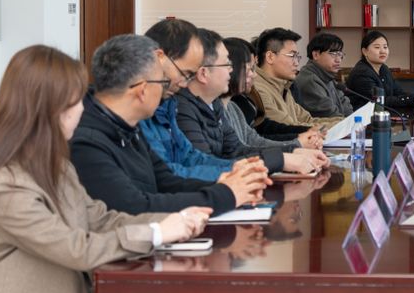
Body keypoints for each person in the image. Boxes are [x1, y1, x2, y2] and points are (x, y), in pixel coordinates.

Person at [0, 45, 210, 293]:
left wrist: (175, 221)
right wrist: (156, 233)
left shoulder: (55, 165)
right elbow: (76, 248)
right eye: (77, 100)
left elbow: (100, 219)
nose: (83, 108)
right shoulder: (7, 184)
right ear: (52, 108)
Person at [71, 33, 268, 214]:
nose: (175, 88)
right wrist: (225, 195)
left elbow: (165, 180)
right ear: (142, 90)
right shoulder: (87, 142)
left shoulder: (129, 127)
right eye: (163, 83)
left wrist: (224, 183)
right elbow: (134, 206)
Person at [176, 28, 327, 174]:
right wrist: (284, 158)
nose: (231, 70)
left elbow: (238, 149)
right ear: (203, 73)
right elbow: (206, 166)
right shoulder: (182, 109)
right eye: (227, 65)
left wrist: (293, 151)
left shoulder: (215, 106)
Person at [139, 18, 235, 180]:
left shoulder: (167, 105)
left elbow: (190, 157)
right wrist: (232, 175)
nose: (184, 84)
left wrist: (240, 169)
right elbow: (165, 176)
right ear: (160, 57)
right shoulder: (140, 113)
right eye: (185, 73)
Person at [226, 37, 323, 149]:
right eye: (249, 68)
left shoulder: (233, 106)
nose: (296, 63)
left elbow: (257, 135)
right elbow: (243, 148)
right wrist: (298, 143)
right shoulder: (254, 93)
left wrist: (308, 132)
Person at [254, 27, 344, 128]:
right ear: (270, 57)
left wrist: (345, 122)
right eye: (292, 56)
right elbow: (290, 128)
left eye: (297, 57)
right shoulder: (258, 90)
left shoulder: (283, 87)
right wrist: (343, 125)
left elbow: (308, 120)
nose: (297, 63)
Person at [346, 30, 414, 110]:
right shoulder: (362, 73)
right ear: (365, 51)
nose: (382, 51)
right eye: (377, 47)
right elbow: (380, 102)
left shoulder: (384, 69)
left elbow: (398, 93)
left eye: (385, 47)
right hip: (363, 121)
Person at [293, 32, 354, 118]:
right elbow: (330, 116)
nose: (338, 60)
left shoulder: (327, 76)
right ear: (316, 55)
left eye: (340, 54)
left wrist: (354, 120)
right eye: (333, 54)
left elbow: (345, 105)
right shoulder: (310, 81)